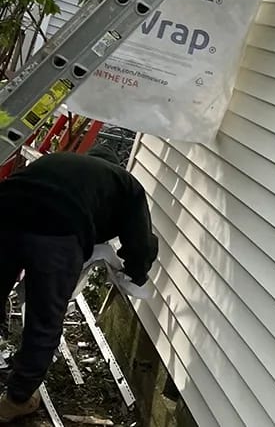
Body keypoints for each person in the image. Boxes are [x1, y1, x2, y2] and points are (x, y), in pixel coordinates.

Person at [0, 146, 158, 422]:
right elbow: (140, 243)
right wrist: (136, 273)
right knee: (44, 320)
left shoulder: (58, 161)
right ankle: (16, 400)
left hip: (4, 211)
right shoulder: (125, 182)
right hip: (58, 232)